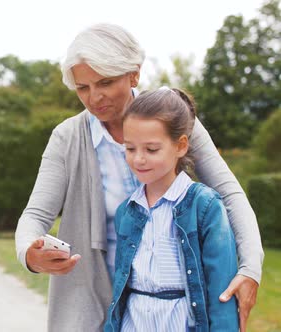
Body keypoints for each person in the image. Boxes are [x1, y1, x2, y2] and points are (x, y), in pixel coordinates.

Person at [14, 23, 263, 332]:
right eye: (83, 87)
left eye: (105, 82)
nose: (94, 97)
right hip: (90, 300)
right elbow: (36, 214)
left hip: (173, 308)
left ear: (134, 74)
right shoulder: (67, 137)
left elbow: (229, 194)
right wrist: (29, 253)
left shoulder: (175, 119)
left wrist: (250, 269)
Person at [104, 87, 238, 331]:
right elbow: (120, 288)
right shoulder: (127, 211)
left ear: (181, 146)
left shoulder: (205, 206)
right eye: (130, 148)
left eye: (151, 149)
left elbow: (222, 290)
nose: (139, 159)